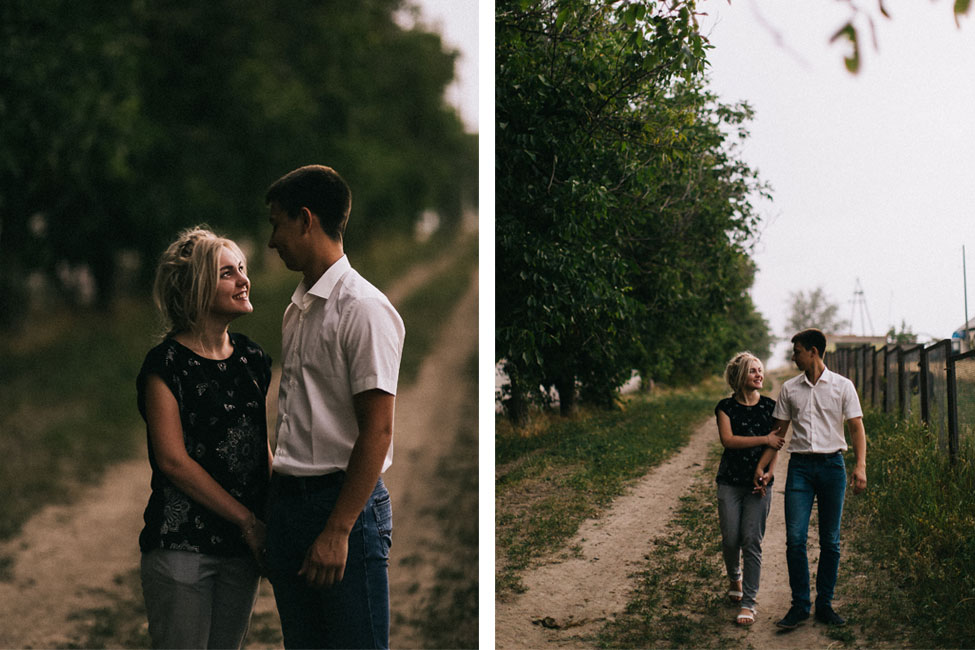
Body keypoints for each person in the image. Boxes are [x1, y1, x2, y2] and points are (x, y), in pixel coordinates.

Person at [263, 164, 405, 649]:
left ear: (305, 220)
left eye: (276, 223)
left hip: (342, 508)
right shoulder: (297, 307)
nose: (270, 240)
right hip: (290, 507)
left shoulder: (363, 308)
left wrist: (338, 530)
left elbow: (378, 432)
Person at [136, 227, 273, 649]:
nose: (243, 279)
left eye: (243, 270)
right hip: (183, 546)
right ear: (197, 287)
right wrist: (246, 520)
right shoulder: (167, 365)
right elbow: (173, 461)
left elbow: (258, 448)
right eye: (227, 273)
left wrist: (273, 518)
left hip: (240, 550)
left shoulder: (252, 359)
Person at [752, 328, 867, 629]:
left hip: (833, 467)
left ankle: (825, 605)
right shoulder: (790, 389)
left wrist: (860, 466)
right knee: (795, 540)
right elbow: (778, 434)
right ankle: (801, 605)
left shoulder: (843, 386)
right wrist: (764, 466)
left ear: (814, 351)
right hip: (800, 469)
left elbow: (856, 427)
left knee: (831, 541)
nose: (794, 357)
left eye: (798, 351)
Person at [714, 352, 783, 626]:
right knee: (731, 539)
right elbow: (728, 441)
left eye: (761, 370)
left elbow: (776, 444)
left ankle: (749, 603)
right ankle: (735, 576)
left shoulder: (771, 407)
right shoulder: (725, 407)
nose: (759, 375)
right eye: (753, 371)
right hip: (730, 482)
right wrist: (764, 437)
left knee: (752, 541)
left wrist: (769, 473)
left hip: (760, 486)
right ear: (741, 375)